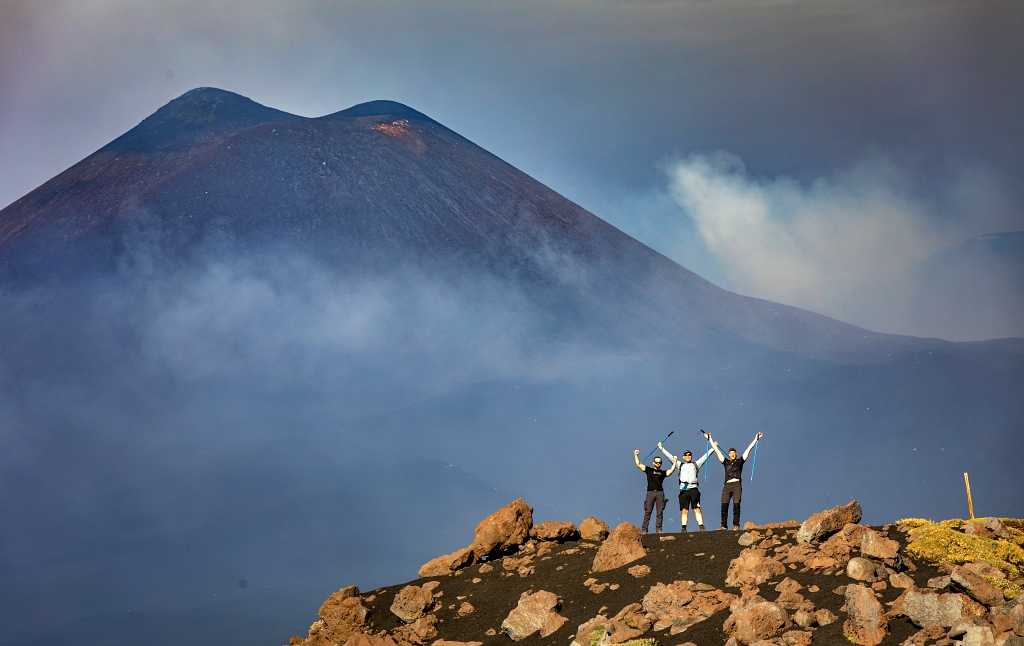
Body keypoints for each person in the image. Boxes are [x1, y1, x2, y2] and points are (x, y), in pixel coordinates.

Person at [706, 431, 762, 530]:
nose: (732, 454)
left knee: (736, 504)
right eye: (730, 453)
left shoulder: (740, 461)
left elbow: (748, 449)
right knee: (724, 505)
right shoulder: (725, 462)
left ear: (736, 454)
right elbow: (716, 450)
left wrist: (756, 438)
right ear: (728, 454)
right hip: (727, 485)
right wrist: (710, 439)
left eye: (733, 453)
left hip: (736, 484)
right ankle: (723, 526)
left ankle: (736, 525)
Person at [658, 441, 712, 531]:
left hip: (694, 488)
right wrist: (662, 449)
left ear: (691, 456)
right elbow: (670, 457)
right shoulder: (680, 465)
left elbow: (705, 457)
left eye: (689, 455)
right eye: (686, 455)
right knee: (684, 510)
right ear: (683, 457)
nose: (688, 456)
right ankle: (683, 528)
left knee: (697, 508)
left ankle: (701, 527)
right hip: (683, 489)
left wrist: (713, 448)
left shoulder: (696, 464)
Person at [633, 448, 676, 534]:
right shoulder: (649, 470)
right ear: (653, 463)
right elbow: (638, 464)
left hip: (660, 493)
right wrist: (636, 455)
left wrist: (674, 462)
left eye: (659, 462)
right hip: (650, 493)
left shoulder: (662, 473)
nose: (658, 463)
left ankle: (659, 530)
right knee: (648, 511)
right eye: (656, 462)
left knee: (659, 513)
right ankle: (644, 530)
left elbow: (670, 472)